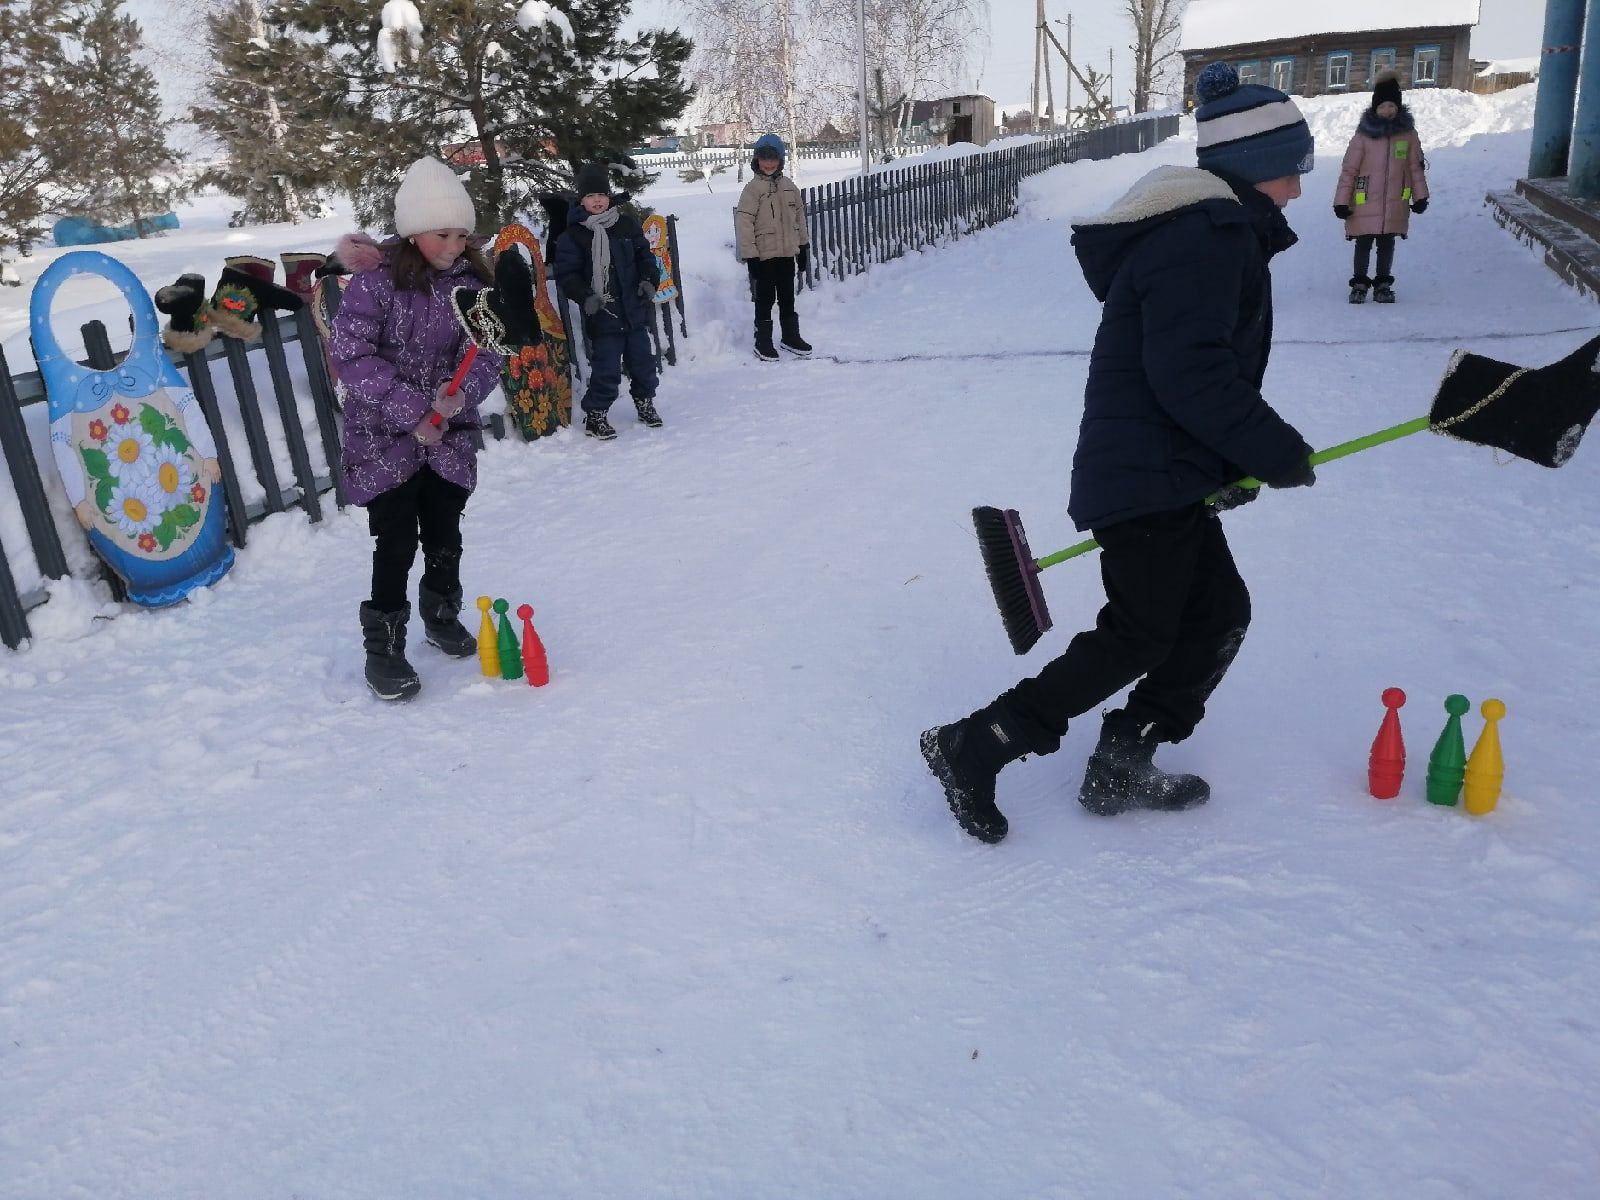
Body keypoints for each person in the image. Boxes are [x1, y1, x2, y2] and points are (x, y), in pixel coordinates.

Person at [920, 62, 1319, 843]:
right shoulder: (1207, 237)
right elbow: (1192, 374)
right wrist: (1272, 451)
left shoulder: (1208, 232)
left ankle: (1123, 759)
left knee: (1216, 615)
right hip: (1145, 476)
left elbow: (1190, 374)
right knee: (1140, 632)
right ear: (1254, 167)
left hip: (1166, 471)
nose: (1296, 191)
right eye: (1289, 171)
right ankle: (978, 742)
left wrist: (1226, 466)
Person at [329, 156, 503, 702]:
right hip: (383, 438)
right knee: (397, 539)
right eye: (443, 235)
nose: (455, 245)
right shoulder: (374, 284)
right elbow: (351, 356)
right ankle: (384, 646)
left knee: (446, 531)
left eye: (462, 235)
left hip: (447, 438)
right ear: (413, 233)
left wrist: (458, 398)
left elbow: (489, 352)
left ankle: (441, 611)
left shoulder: (473, 285)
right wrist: (412, 413)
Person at [551, 162, 662, 441]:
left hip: (634, 312)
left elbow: (645, 258)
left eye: (601, 195)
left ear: (609, 197)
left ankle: (645, 402)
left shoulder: (626, 225)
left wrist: (649, 279)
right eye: (590, 196)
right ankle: (596, 414)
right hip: (604, 314)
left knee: (643, 365)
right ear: (582, 200)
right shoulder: (574, 235)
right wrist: (585, 297)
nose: (597, 200)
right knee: (607, 370)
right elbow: (568, 274)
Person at [1333, 69, 1429, 304]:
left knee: (1387, 243)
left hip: (1396, 200)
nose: (1388, 111)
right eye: (1383, 106)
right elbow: (1349, 171)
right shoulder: (1363, 137)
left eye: (1392, 106)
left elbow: (1415, 168)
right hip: (1364, 200)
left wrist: (1421, 197)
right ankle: (1359, 282)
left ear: (1399, 108)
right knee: (1363, 242)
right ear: (1375, 107)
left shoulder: (1408, 136)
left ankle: (1383, 283)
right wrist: (1341, 201)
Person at [734, 134, 813, 362]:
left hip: (787, 254)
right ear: (757, 160)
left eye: (773, 159)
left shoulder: (789, 187)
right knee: (765, 299)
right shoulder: (752, 189)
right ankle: (763, 341)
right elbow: (744, 222)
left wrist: (803, 246)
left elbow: (799, 217)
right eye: (764, 159)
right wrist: (751, 257)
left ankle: (790, 336)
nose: (768, 164)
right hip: (764, 256)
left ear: (781, 160)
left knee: (788, 297)